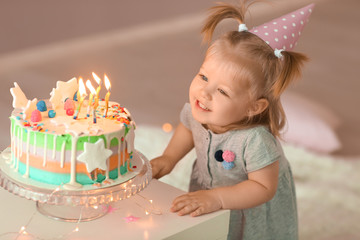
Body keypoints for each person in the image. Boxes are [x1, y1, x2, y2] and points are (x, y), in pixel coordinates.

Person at [151, 1, 314, 239]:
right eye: (203, 76)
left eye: (223, 92)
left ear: (253, 107)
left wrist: (217, 198)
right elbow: (188, 127)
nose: (205, 93)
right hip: (209, 190)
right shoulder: (200, 111)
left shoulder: (256, 140)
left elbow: (263, 188)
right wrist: (169, 157)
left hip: (249, 204)